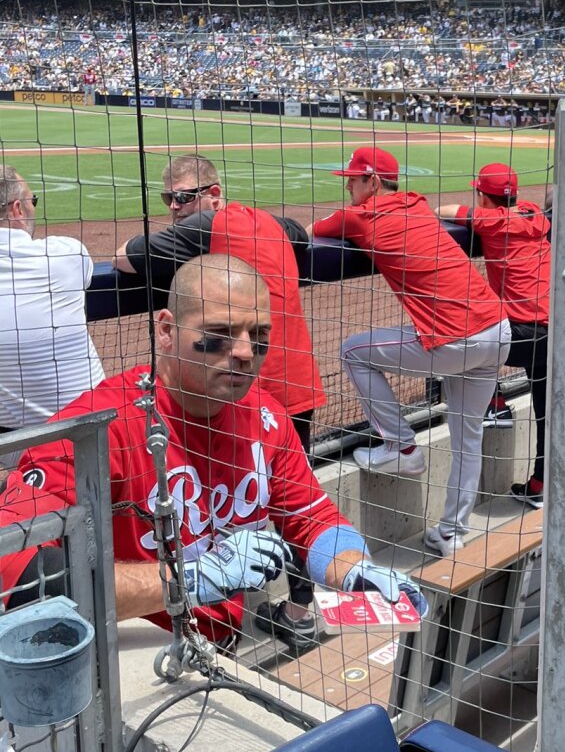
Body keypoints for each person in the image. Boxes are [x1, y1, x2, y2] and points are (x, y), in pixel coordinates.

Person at [0, 255, 420, 643]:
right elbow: (17, 571)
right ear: (166, 331)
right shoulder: (95, 430)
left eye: (258, 335)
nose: (243, 352)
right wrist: (189, 578)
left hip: (219, 644)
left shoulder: (265, 415)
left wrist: (354, 569)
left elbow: (311, 518)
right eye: (219, 335)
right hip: (131, 647)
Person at [113, 154, 326, 645]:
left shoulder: (205, 224)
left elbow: (125, 256)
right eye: (168, 198)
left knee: (222, 503)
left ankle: (215, 615)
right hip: (297, 380)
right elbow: (302, 235)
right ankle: (298, 610)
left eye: (185, 196)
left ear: (213, 193)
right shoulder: (272, 221)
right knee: (282, 505)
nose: (174, 207)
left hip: (251, 391)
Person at [309, 146, 509, 557]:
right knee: (468, 439)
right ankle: (451, 533)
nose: (348, 185)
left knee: (352, 351)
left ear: (373, 182)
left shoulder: (356, 216)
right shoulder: (418, 203)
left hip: (455, 339)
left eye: (353, 179)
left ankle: (401, 448)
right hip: (498, 330)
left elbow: (315, 229)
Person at [437, 163, 549, 508]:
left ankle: (495, 404)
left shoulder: (493, 220)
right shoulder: (533, 213)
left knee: (453, 341)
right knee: (545, 412)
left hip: (519, 335)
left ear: (484, 196)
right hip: (552, 333)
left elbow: (442, 211)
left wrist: (484, 213)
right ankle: (540, 484)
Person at [0, 167, 103, 433]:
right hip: (90, 433)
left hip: (14, 445)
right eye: (32, 201)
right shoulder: (64, 254)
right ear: (17, 209)